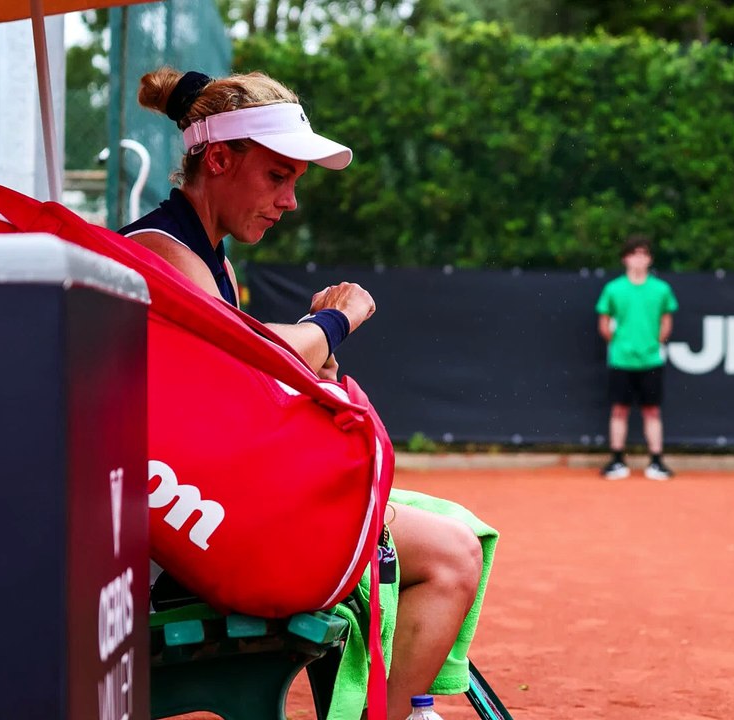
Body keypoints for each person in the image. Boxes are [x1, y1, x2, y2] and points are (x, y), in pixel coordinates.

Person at [121, 67, 484, 720]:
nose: (289, 201)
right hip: (183, 536)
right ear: (219, 160)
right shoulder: (161, 251)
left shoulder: (204, 253)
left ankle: (405, 705)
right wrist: (335, 322)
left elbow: (242, 384)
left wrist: (320, 358)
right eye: (277, 176)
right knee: (452, 557)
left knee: (456, 531)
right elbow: (252, 353)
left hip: (197, 514)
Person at [595, 234, 679, 480]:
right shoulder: (613, 289)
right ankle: (617, 460)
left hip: (651, 360)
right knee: (619, 411)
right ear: (625, 259)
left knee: (652, 411)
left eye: (643, 254)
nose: (639, 259)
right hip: (621, 360)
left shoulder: (661, 289)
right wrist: (620, 345)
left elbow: (666, 322)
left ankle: (656, 462)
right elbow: (604, 323)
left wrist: (652, 344)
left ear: (650, 259)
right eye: (634, 254)